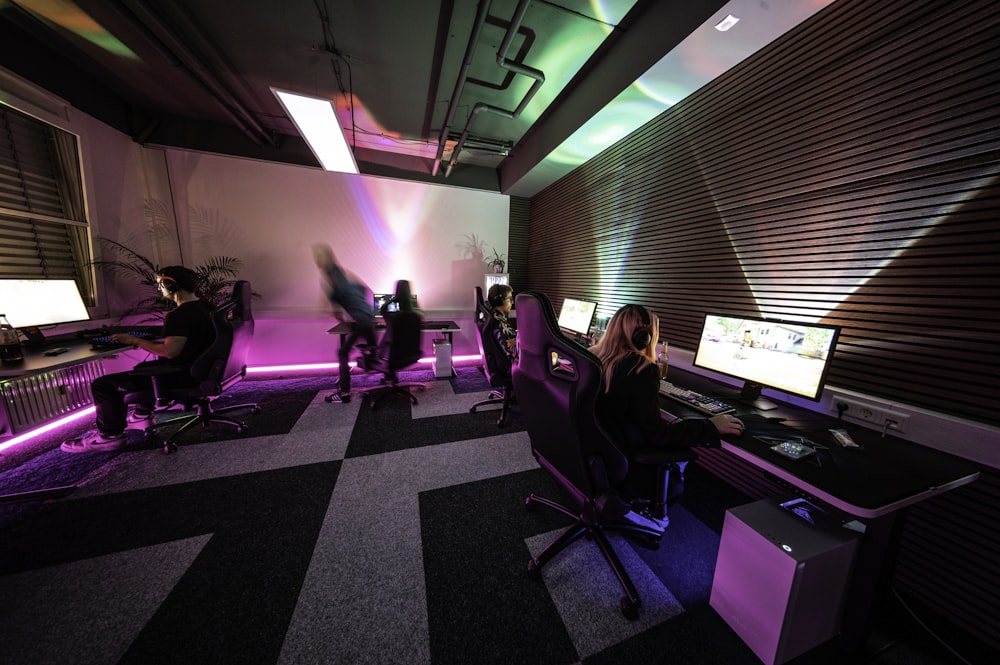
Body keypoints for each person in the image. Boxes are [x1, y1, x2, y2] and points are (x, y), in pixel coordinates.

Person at [590, 304, 744, 503]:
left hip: (599, 456)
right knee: (676, 458)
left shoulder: (592, 357)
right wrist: (710, 426)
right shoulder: (641, 369)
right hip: (629, 463)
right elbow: (657, 435)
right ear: (643, 336)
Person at [61, 266, 216, 453]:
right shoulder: (209, 307)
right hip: (201, 370)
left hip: (182, 376)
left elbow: (169, 352)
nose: (159, 289)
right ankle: (142, 415)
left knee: (103, 385)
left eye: (160, 284)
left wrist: (135, 340)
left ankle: (109, 436)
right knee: (144, 367)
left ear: (170, 285)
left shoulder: (179, 315)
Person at [313, 243, 375, 403]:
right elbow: (364, 289)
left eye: (318, 257)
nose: (316, 260)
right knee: (374, 351)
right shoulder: (343, 275)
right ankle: (385, 375)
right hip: (369, 318)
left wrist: (343, 316)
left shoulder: (331, 280)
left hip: (361, 321)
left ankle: (345, 393)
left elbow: (332, 310)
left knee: (343, 353)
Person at [486, 283, 517, 363]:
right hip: (510, 365)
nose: (512, 302)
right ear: (499, 301)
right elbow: (513, 350)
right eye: (510, 299)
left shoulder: (494, 317)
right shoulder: (500, 323)